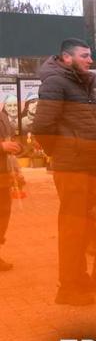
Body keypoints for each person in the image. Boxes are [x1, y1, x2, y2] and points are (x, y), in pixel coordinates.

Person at [33, 39, 96, 306]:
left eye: (90, 56)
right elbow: (42, 126)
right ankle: (68, 288)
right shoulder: (55, 82)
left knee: (84, 226)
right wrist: (61, 151)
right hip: (72, 165)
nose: (90, 60)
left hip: (89, 163)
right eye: (84, 56)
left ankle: (80, 278)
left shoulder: (85, 82)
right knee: (73, 228)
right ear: (66, 57)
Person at [0, 106, 21, 272]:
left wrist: (17, 147)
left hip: (4, 173)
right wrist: (2, 147)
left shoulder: (3, 114)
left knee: (3, 213)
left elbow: (11, 138)